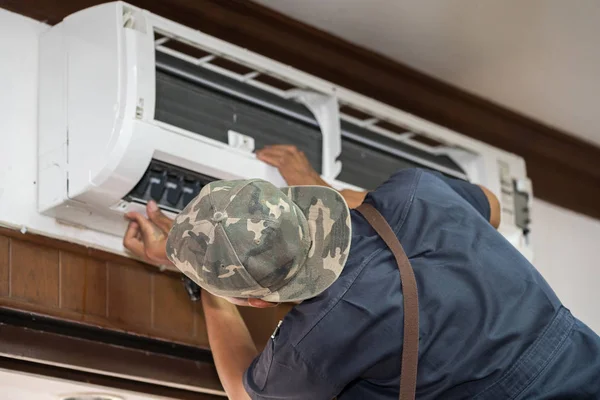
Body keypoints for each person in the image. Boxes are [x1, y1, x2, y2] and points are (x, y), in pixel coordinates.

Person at [124, 145, 600, 399]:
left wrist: (211, 288)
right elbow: (492, 209)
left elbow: (246, 397)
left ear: (256, 301)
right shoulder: (414, 190)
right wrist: (322, 190)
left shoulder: (316, 342)